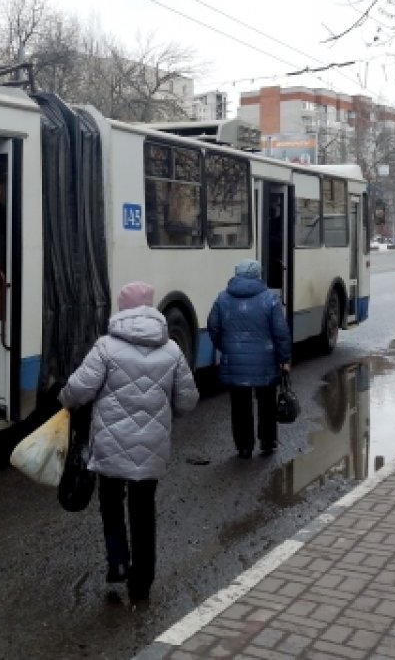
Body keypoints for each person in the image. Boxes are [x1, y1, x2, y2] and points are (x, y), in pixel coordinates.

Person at [59, 281, 199, 602]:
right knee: (143, 509)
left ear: (123, 309)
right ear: (151, 307)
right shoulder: (172, 350)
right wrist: (168, 412)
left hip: (111, 446)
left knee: (110, 501)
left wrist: (64, 401)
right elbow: (188, 401)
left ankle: (119, 561)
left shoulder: (106, 347)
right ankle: (142, 582)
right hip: (152, 450)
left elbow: (78, 390)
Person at [206, 258, 292, 459]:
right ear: (258, 275)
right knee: (267, 402)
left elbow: (213, 326)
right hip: (266, 362)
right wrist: (284, 358)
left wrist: (225, 346)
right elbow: (281, 332)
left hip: (234, 359)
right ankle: (267, 441)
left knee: (239, 405)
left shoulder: (223, 298)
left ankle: (244, 447)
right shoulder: (269, 299)